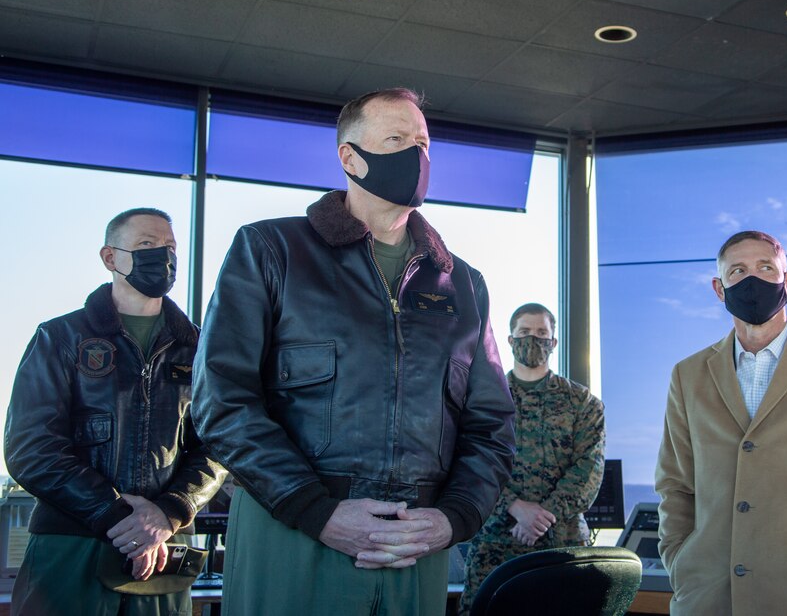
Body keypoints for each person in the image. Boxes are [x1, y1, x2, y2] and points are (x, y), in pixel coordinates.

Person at [192, 88, 516, 616]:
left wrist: (455, 517)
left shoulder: (464, 286)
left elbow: (492, 425)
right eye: (396, 139)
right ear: (349, 157)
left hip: (415, 550)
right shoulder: (271, 252)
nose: (417, 156)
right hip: (294, 536)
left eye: (424, 143)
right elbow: (222, 401)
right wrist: (316, 511)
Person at [4, 208, 226, 615]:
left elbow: (217, 445)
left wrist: (169, 512)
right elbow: (31, 449)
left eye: (170, 247)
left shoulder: (200, 349)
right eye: (147, 245)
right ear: (110, 258)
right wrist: (115, 514)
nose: (164, 256)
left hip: (164, 550)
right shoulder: (59, 338)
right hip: (71, 547)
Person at [655, 230, 787, 616]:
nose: (753, 280)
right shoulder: (688, 374)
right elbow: (676, 484)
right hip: (708, 596)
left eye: (766, 268)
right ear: (719, 288)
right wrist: (679, 561)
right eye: (738, 271)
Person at [458, 303, 606, 615]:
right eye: (525, 332)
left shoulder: (583, 403)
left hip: (561, 543)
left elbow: (588, 470)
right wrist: (514, 506)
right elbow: (468, 462)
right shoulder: (481, 399)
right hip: (494, 543)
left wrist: (542, 516)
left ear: (553, 343)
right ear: (510, 341)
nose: (533, 339)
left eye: (542, 333)